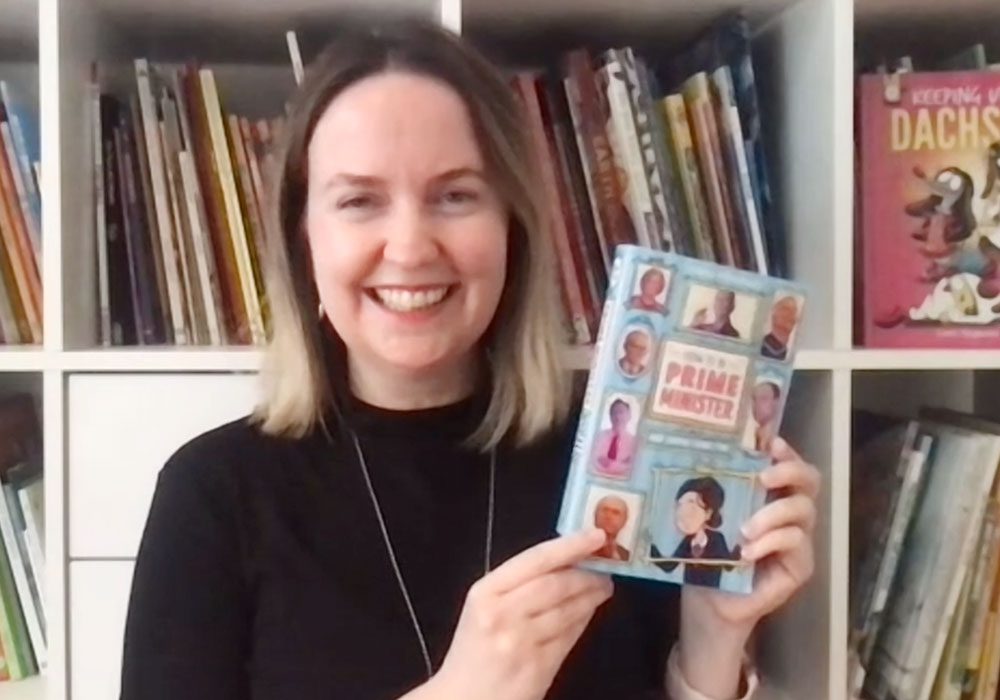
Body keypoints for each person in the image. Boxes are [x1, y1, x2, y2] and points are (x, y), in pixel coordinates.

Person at [119, 19, 820, 700]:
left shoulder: (622, 474)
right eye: (360, 200)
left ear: (511, 227)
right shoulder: (212, 495)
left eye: (455, 195)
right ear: (305, 239)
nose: (410, 246)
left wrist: (713, 642)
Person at [650, 477, 743, 589]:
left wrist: (741, 547)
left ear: (708, 513)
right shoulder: (687, 541)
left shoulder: (717, 539)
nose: (685, 513)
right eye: (680, 505)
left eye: (692, 505)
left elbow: (728, 566)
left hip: (710, 595)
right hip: (688, 594)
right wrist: (649, 548)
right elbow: (669, 566)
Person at [592, 398, 638, 479]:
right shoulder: (599, 437)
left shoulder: (633, 442)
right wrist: (621, 463)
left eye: (621, 412)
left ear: (629, 416)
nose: (618, 416)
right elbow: (594, 461)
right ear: (610, 416)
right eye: (614, 413)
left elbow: (632, 468)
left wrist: (609, 464)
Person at [591, 495, 632, 562]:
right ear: (595, 515)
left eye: (616, 513)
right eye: (605, 510)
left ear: (624, 521)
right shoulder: (577, 547)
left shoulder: (628, 558)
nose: (608, 516)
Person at [760, 297, 799, 361]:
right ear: (774, 316)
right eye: (786, 308)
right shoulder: (760, 347)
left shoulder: (792, 356)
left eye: (794, 310)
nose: (792, 314)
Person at [749, 381, 782, 453]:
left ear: (776, 402)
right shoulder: (755, 435)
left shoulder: (779, 441)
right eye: (754, 399)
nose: (756, 404)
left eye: (763, 398)